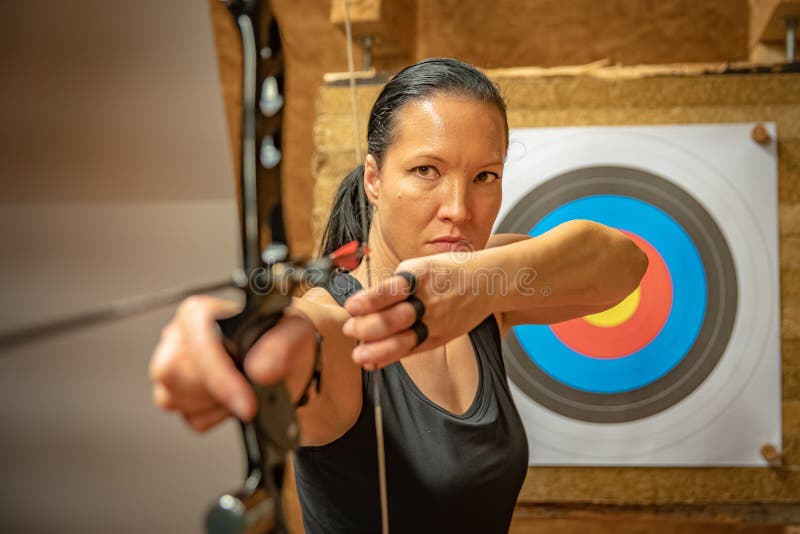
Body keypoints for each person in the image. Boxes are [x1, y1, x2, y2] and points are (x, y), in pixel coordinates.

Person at [150, 57, 648, 533]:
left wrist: (474, 283)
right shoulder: (344, 325)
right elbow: (298, 343)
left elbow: (623, 265)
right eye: (426, 170)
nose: (459, 207)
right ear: (374, 179)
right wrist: (233, 339)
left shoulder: (489, 290)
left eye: (484, 176)